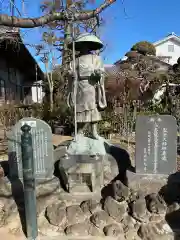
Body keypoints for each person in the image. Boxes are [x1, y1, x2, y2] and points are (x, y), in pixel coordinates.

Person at [67, 33, 107, 139]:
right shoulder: (75, 60)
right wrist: (71, 73)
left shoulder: (96, 58)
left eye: (86, 45)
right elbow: (70, 72)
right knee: (80, 109)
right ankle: (79, 132)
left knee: (93, 107)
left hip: (92, 85)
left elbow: (101, 71)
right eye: (82, 45)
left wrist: (98, 73)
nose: (84, 47)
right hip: (79, 86)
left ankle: (94, 132)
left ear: (90, 45)